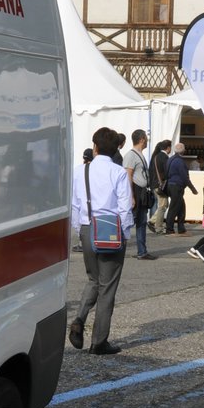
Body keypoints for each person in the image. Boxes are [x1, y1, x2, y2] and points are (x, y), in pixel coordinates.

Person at [68, 127, 132, 356]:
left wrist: (80, 229)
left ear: (94, 147)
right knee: (108, 287)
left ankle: (78, 318)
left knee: (93, 279)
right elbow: (125, 207)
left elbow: (75, 205)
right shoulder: (119, 172)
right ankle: (99, 341)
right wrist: (125, 234)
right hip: (110, 229)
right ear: (116, 149)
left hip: (87, 227)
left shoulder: (80, 171)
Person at [123, 129, 156, 260]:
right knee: (130, 222)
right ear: (142, 139)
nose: (147, 141)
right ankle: (117, 248)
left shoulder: (139, 154)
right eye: (146, 138)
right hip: (136, 192)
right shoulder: (131, 155)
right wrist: (131, 196)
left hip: (141, 192)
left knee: (141, 222)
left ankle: (142, 251)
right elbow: (128, 176)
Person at [163, 141, 197, 234]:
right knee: (174, 207)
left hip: (170, 185)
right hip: (176, 187)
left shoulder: (170, 159)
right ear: (183, 151)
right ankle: (169, 228)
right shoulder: (180, 162)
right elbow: (184, 177)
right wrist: (192, 188)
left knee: (181, 207)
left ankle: (181, 228)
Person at [148, 139, 172, 232]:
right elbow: (167, 172)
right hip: (160, 185)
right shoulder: (164, 157)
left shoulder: (156, 156)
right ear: (168, 148)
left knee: (164, 204)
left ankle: (153, 221)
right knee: (163, 205)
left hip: (155, 184)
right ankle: (158, 226)